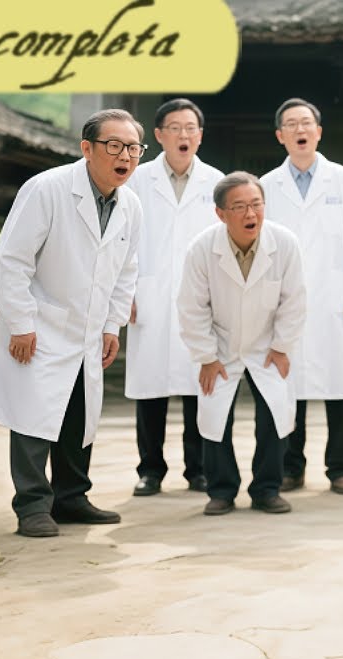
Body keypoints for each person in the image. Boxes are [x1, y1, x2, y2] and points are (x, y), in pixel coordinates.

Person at [0, 109, 146, 538]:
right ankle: (32, 506)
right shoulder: (47, 189)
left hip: (86, 328)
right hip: (37, 319)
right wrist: (21, 323)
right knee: (33, 414)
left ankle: (72, 497)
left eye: (134, 148)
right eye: (114, 146)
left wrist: (111, 326)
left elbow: (127, 271)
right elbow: (14, 261)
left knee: (78, 413)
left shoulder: (131, 205)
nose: (125, 155)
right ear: (87, 149)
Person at [177, 172, 307, 516]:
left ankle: (267, 489)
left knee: (275, 415)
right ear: (221, 213)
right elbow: (191, 307)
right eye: (239, 207)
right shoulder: (203, 248)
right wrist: (205, 356)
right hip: (220, 344)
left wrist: (281, 346)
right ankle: (220, 490)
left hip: (268, 344)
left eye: (256, 205)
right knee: (216, 416)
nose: (251, 214)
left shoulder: (285, 243)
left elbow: (294, 301)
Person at [261, 98, 343, 496]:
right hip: (286, 298)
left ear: (318, 131)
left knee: (338, 385)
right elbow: (264, 247)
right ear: (281, 136)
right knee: (292, 385)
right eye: (291, 124)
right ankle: (292, 467)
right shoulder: (266, 186)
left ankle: (340, 468)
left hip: (335, 296)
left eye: (306, 122)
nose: (299, 129)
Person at [124, 98, 224, 497]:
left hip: (200, 298)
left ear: (200, 136)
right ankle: (150, 469)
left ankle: (196, 470)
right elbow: (123, 240)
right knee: (150, 388)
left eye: (190, 128)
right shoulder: (136, 180)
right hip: (147, 292)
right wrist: (125, 292)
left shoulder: (216, 182)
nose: (184, 135)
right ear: (160, 135)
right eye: (175, 128)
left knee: (198, 384)